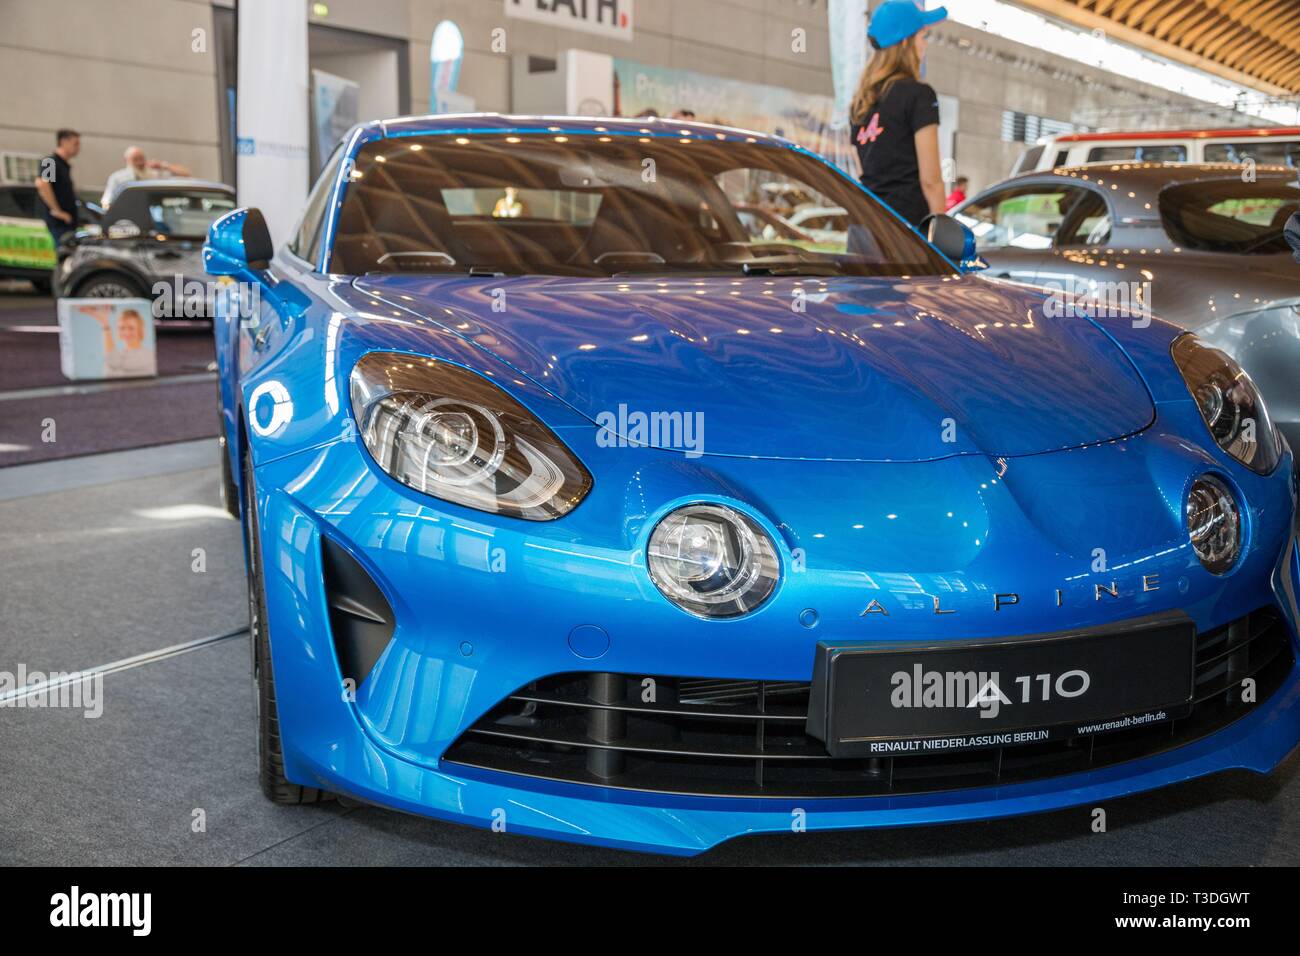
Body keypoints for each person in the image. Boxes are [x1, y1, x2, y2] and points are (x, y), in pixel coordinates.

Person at [849, 1, 948, 227]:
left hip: (863, 227)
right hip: (904, 233)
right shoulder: (920, 95)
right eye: (922, 37)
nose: (925, 45)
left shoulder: (861, 101)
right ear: (906, 42)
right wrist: (941, 232)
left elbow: (865, 172)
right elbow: (931, 180)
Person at [101, 146, 192, 207]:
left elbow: (186, 174)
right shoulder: (117, 178)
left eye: (141, 158)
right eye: (135, 159)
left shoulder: (155, 174)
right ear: (126, 160)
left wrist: (163, 165)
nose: (140, 162)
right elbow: (106, 201)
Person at [34, 128, 81, 247]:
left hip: (67, 224)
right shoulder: (50, 161)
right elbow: (42, 184)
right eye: (75, 143)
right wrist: (57, 211)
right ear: (64, 142)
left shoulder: (63, 165)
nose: (78, 147)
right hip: (59, 224)